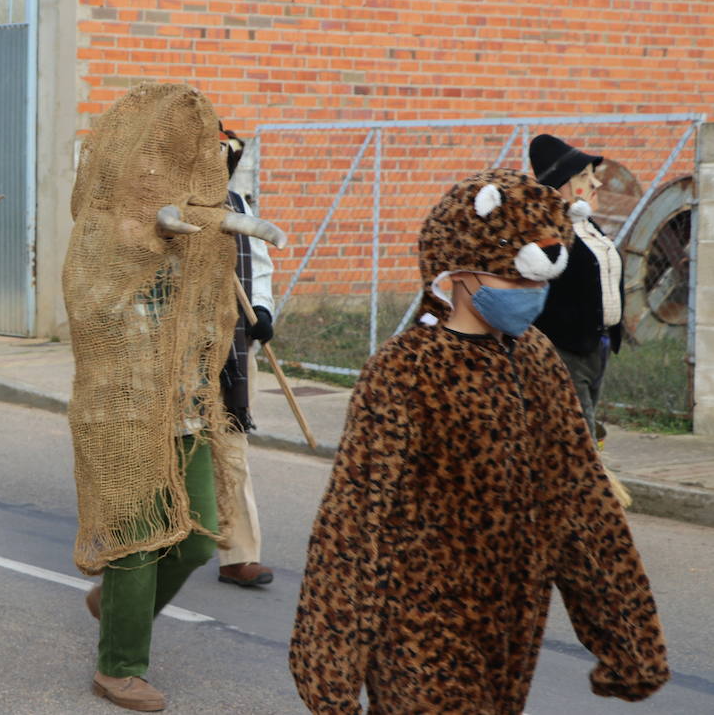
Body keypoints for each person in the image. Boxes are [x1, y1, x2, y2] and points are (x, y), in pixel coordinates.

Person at [289, 169, 669, 711]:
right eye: (517, 282)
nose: (531, 296)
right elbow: (354, 525)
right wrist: (330, 674)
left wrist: (630, 644)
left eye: (539, 285)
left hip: (513, 629)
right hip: (419, 629)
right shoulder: (404, 371)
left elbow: (582, 503)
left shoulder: (538, 358)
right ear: (462, 272)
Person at [64, 83, 284, 712]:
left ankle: (114, 609)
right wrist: (152, 250)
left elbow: (220, 307)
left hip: (188, 407)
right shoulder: (101, 232)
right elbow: (93, 309)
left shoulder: (203, 224)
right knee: (137, 540)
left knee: (197, 537)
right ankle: (120, 664)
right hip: (122, 410)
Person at [529, 134, 624, 441]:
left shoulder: (587, 225)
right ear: (561, 185)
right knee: (580, 437)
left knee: (586, 433)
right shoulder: (548, 230)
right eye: (584, 177)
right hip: (566, 349)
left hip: (598, 345)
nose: (595, 184)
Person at [215, 127, 275, 589]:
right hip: (173, 355)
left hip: (230, 353)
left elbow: (259, 264)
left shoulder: (238, 207)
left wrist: (263, 311)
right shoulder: (160, 209)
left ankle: (238, 554)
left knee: (232, 449)